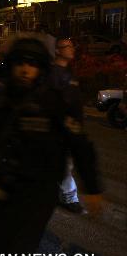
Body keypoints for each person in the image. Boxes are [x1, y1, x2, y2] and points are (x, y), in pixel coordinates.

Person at [0, 37, 102, 256]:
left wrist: (92, 187)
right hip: (2, 185)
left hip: (38, 191)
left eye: (32, 64)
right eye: (20, 62)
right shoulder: (0, 99)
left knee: (16, 251)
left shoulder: (53, 102)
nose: (25, 69)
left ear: (41, 67)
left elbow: (79, 144)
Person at [48, 38, 86, 214]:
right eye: (67, 47)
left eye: (72, 46)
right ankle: (70, 198)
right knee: (66, 164)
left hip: (71, 127)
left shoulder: (68, 72)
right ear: (57, 51)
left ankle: (57, 194)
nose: (72, 49)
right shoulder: (54, 73)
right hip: (61, 128)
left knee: (62, 164)